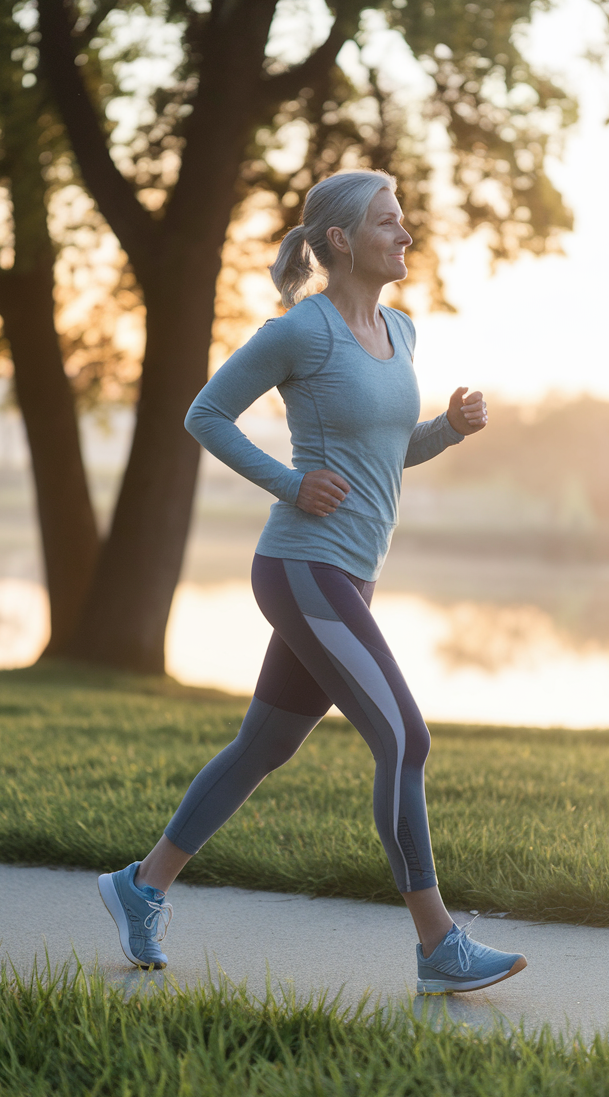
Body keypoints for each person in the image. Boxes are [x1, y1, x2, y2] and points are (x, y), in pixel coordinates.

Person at [98, 169, 527, 995]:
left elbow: (383, 453)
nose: (405, 234)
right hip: (301, 566)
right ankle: (438, 944)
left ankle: (140, 885)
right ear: (339, 240)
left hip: (349, 576)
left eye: (402, 221)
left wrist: (446, 429)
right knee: (405, 737)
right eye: (387, 223)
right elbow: (205, 414)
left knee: (266, 744)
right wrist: (292, 484)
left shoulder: (401, 331)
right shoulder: (304, 330)